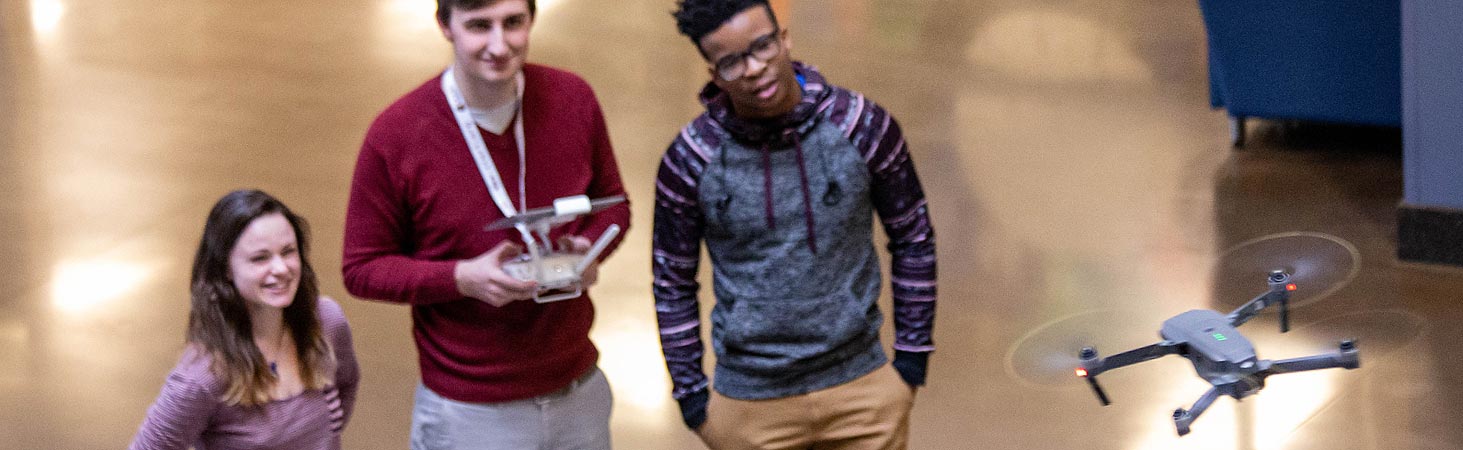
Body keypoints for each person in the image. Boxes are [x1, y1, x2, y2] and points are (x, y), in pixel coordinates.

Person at [341, 0, 630, 448]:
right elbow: (362, 267)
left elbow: (612, 204)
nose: (499, 45)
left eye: (513, 23)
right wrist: (461, 277)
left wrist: (587, 249)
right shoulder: (396, 135)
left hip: (578, 391)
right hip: (469, 412)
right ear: (445, 26)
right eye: (479, 26)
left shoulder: (573, 99)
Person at [653, 1, 938, 448]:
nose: (754, 69)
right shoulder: (691, 160)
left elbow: (913, 239)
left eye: (762, 46)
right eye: (732, 61)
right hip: (749, 405)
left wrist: (911, 364)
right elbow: (672, 281)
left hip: (863, 391)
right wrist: (693, 401)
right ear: (712, 71)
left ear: (784, 38)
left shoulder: (862, 126)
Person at [130, 189, 359, 450]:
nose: (281, 268)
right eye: (260, 258)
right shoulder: (204, 375)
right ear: (226, 268)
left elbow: (345, 389)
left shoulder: (327, 322)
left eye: (288, 251)